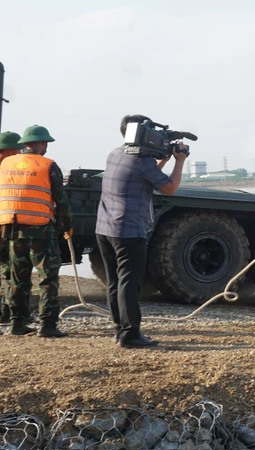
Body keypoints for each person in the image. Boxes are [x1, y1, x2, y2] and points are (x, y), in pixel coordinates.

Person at [95, 114, 187, 349]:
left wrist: (162, 161)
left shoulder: (114, 154)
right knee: (129, 282)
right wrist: (179, 161)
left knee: (115, 282)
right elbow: (170, 188)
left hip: (105, 228)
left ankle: (119, 330)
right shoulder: (142, 162)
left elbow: (141, 175)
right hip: (127, 231)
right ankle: (130, 334)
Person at [0, 125, 73, 337]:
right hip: (40, 231)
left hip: (11, 229)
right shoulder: (47, 165)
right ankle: (47, 325)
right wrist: (68, 226)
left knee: (18, 278)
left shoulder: (5, 164)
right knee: (47, 278)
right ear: (42, 143)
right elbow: (61, 200)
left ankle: (17, 323)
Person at [0, 131, 21, 336]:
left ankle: (6, 314)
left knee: (10, 271)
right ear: (9, 150)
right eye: (17, 149)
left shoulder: (4, 169)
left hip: (4, 230)